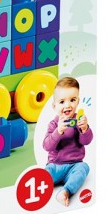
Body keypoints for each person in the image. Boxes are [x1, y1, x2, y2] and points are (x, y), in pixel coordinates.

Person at [42, 76, 93, 206]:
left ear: (78, 101)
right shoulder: (54, 124)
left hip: (75, 165)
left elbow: (86, 141)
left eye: (72, 100)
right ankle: (40, 189)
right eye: (62, 102)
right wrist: (58, 131)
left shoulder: (79, 121)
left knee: (83, 168)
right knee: (44, 175)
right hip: (55, 166)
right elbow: (46, 146)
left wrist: (85, 129)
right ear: (54, 105)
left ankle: (65, 191)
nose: (68, 105)